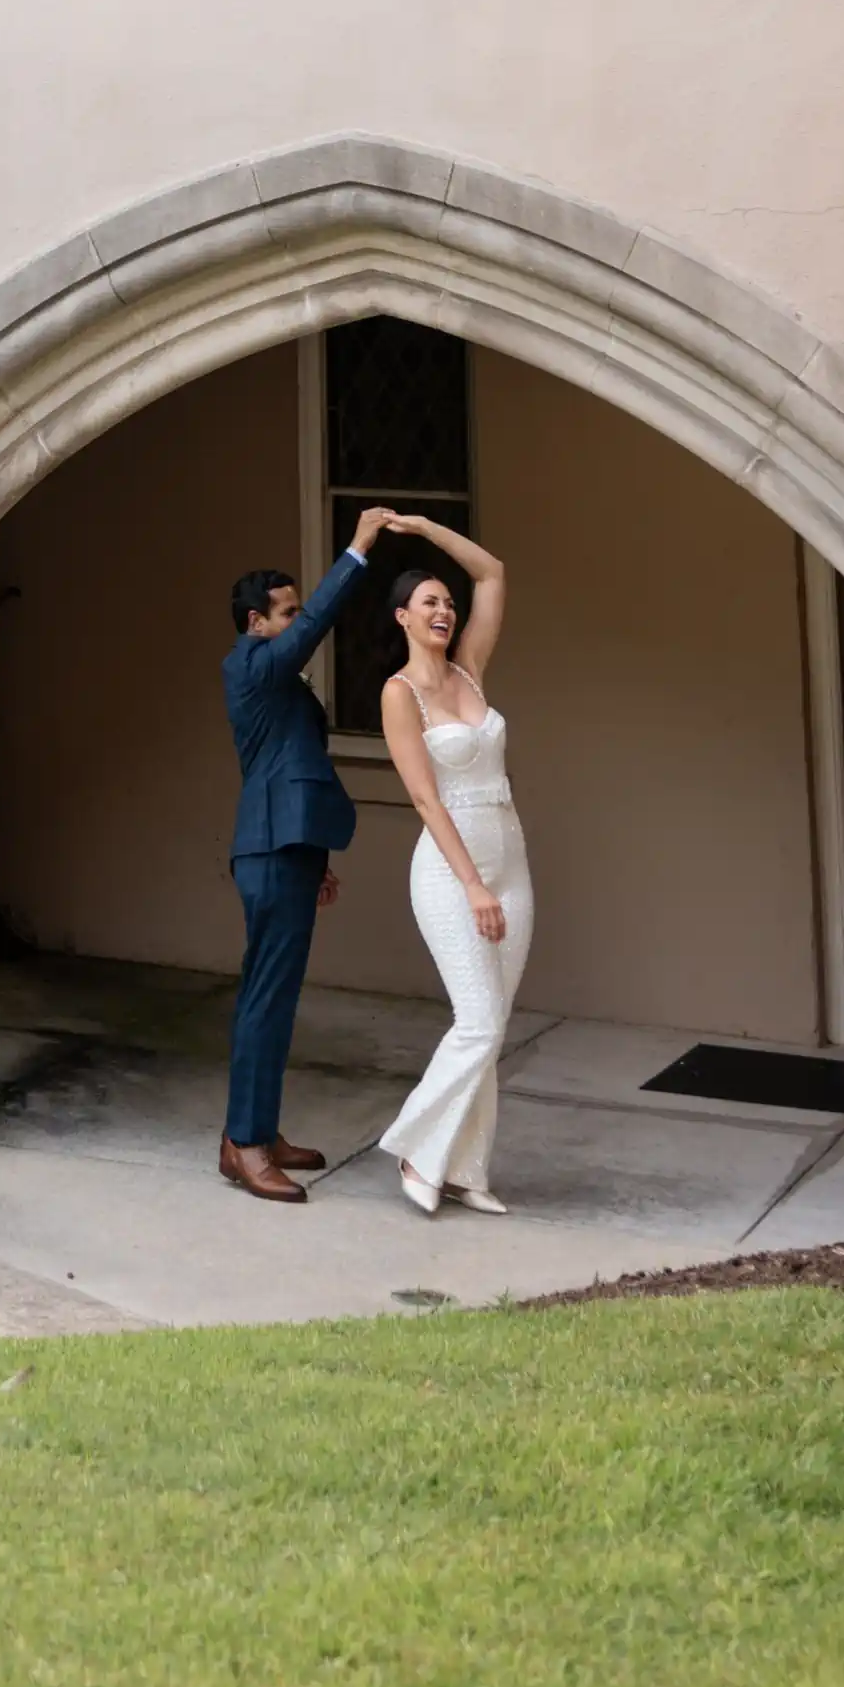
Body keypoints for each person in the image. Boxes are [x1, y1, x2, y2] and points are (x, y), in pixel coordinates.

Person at [218, 508, 394, 1203]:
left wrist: (315, 853)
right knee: (265, 997)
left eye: (294, 610)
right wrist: (355, 551)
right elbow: (318, 624)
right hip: (265, 848)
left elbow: (297, 761)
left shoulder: (275, 676)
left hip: (286, 846)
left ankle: (257, 1128)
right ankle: (245, 1145)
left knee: (278, 997)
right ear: (256, 621)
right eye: (285, 611)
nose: (296, 620)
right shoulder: (253, 664)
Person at [372, 517, 532, 1217]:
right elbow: (422, 796)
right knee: (476, 1019)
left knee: (493, 1027)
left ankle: (466, 1167)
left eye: (447, 601)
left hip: (512, 856)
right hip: (448, 868)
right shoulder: (399, 692)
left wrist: (426, 529)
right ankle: (416, 1146)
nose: (443, 611)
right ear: (402, 616)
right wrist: (470, 884)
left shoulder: (470, 666)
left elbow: (493, 570)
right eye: (428, 602)